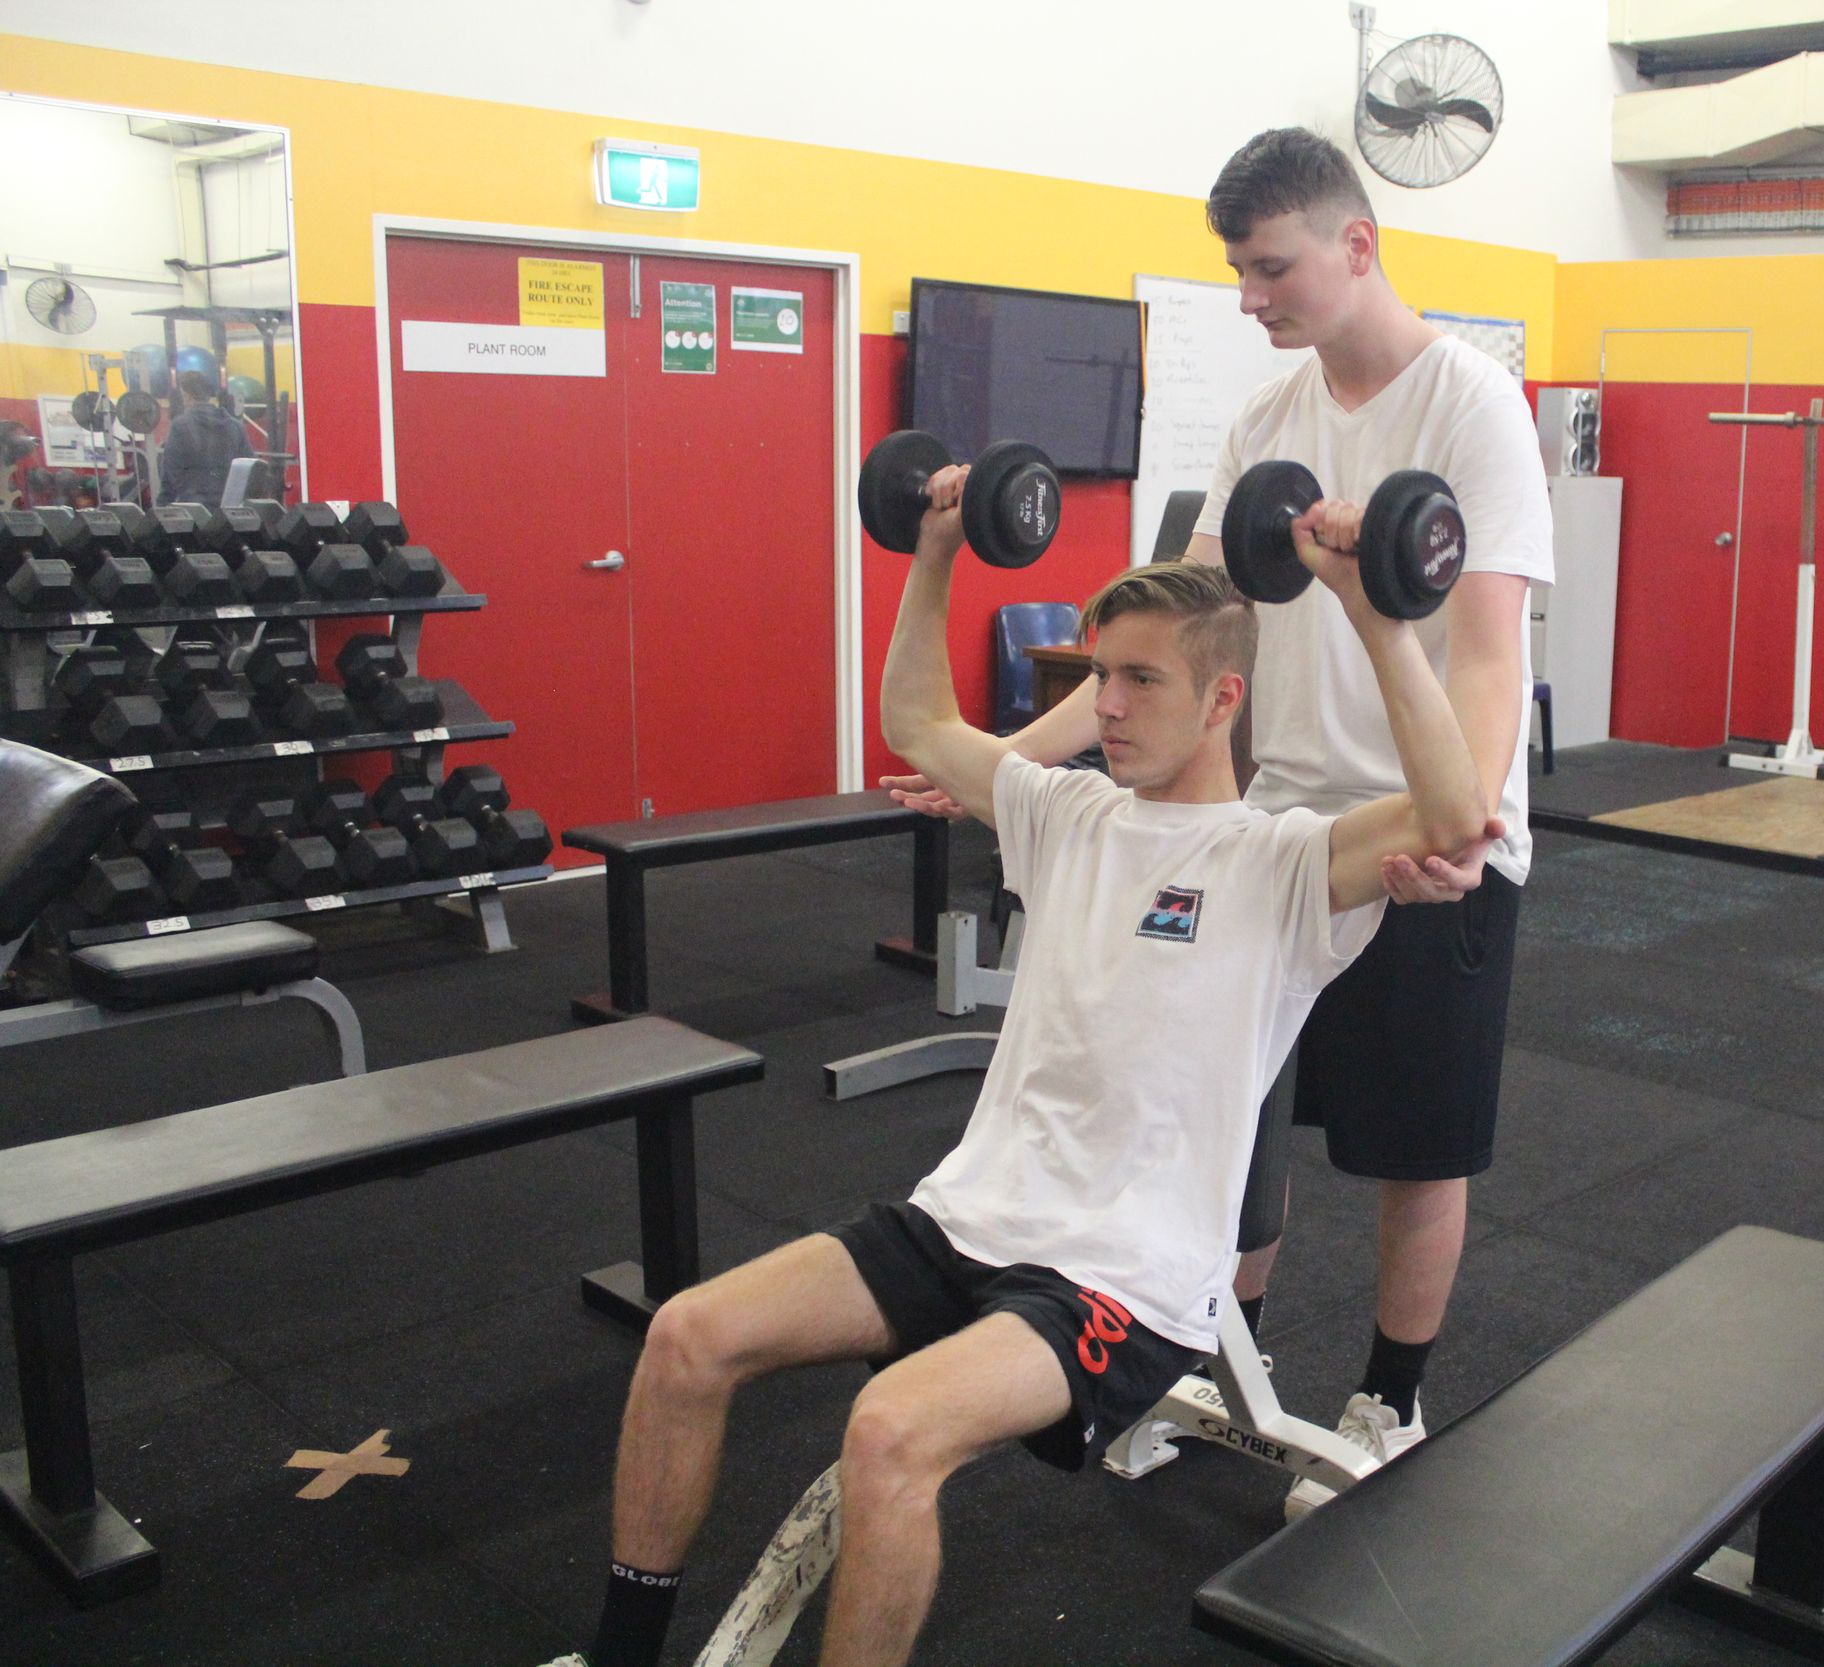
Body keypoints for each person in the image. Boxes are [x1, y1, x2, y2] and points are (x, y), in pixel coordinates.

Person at [545, 461, 1493, 1667]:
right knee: (686, 1334)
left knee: (889, 1429)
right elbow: (917, 724)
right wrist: (936, 546)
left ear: (1222, 699)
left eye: (1141, 679)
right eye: (1101, 675)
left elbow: (1450, 815)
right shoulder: (1065, 814)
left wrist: (1374, 615)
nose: (1108, 704)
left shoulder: (1283, 861)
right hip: (972, 1212)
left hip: (1123, 1274)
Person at [886, 128, 1551, 1515]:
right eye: (1239, 271)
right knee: (1232, 1116)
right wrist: (1006, 761)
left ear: (1355, 246)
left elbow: (1491, 653)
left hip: (1422, 833)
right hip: (1274, 832)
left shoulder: (1472, 406)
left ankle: (1390, 1398)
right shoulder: (1266, 421)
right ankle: (1204, 1362)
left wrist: (1465, 826)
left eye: (1270, 268)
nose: (1250, 296)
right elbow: (1175, 630)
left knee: (1412, 1142)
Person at [157, 369, 252, 505]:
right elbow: (249, 469)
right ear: (208, 395)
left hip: (193, 508)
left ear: (186, 396)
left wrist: (162, 506)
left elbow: (170, 472)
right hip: (229, 509)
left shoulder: (179, 426)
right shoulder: (236, 426)